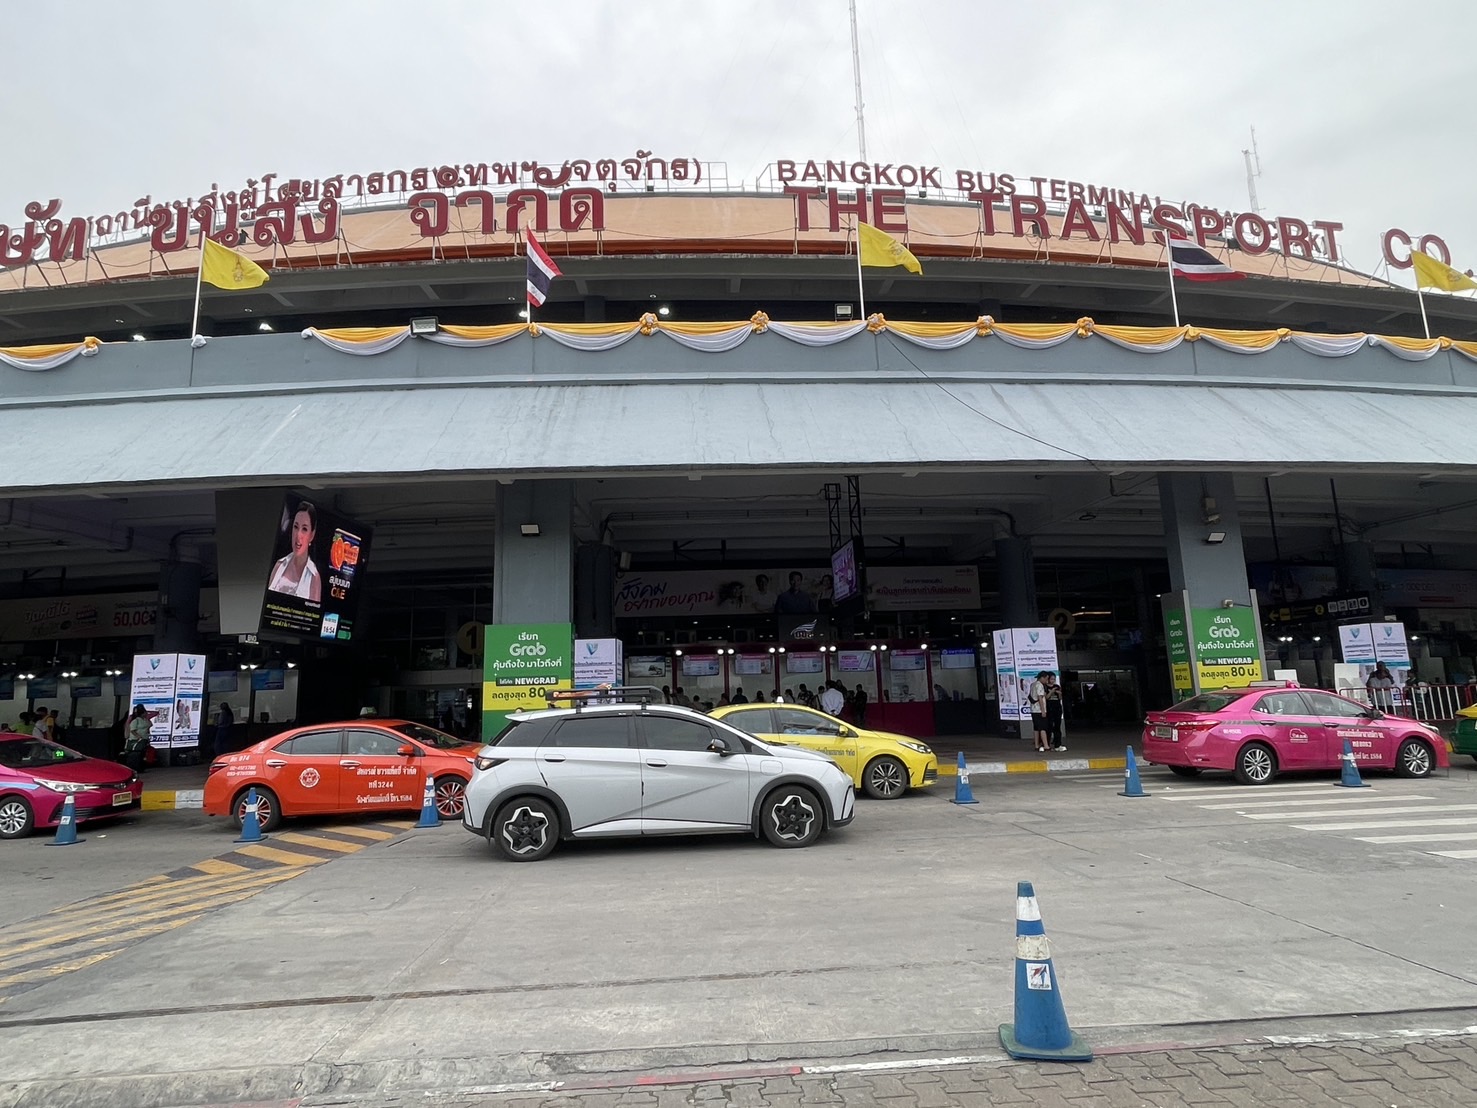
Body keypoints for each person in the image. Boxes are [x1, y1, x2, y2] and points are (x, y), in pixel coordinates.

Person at [267, 500, 323, 602]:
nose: (298, 535)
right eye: (296, 527)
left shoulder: (314, 578)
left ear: (312, 535)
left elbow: (313, 611)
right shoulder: (279, 565)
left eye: (304, 529)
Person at [124, 704, 152, 772]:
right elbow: (132, 730)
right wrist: (138, 736)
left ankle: (141, 767)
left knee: (143, 753)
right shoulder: (135, 720)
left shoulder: (145, 720)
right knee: (138, 753)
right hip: (136, 739)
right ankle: (136, 766)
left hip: (144, 738)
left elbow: (149, 725)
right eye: (144, 712)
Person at [1027, 673, 1050, 752]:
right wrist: (1043, 710)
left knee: (1036, 728)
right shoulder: (1040, 685)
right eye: (1046, 679)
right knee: (1043, 728)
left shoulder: (1032, 684)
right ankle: (1046, 745)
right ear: (1042, 678)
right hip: (1039, 710)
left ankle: (1036, 745)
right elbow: (1040, 697)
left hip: (1033, 709)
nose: (1047, 681)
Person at [1044, 671, 1066, 752]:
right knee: (1049, 726)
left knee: (1057, 727)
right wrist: (1051, 691)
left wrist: (1059, 693)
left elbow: (1060, 698)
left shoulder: (1057, 686)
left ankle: (1058, 744)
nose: (1053, 681)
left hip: (1057, 708)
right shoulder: (1045, 687)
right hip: (1049, 708)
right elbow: (1046, 697)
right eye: (1051, 679)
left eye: (1054, 679)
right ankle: (1047, 744)